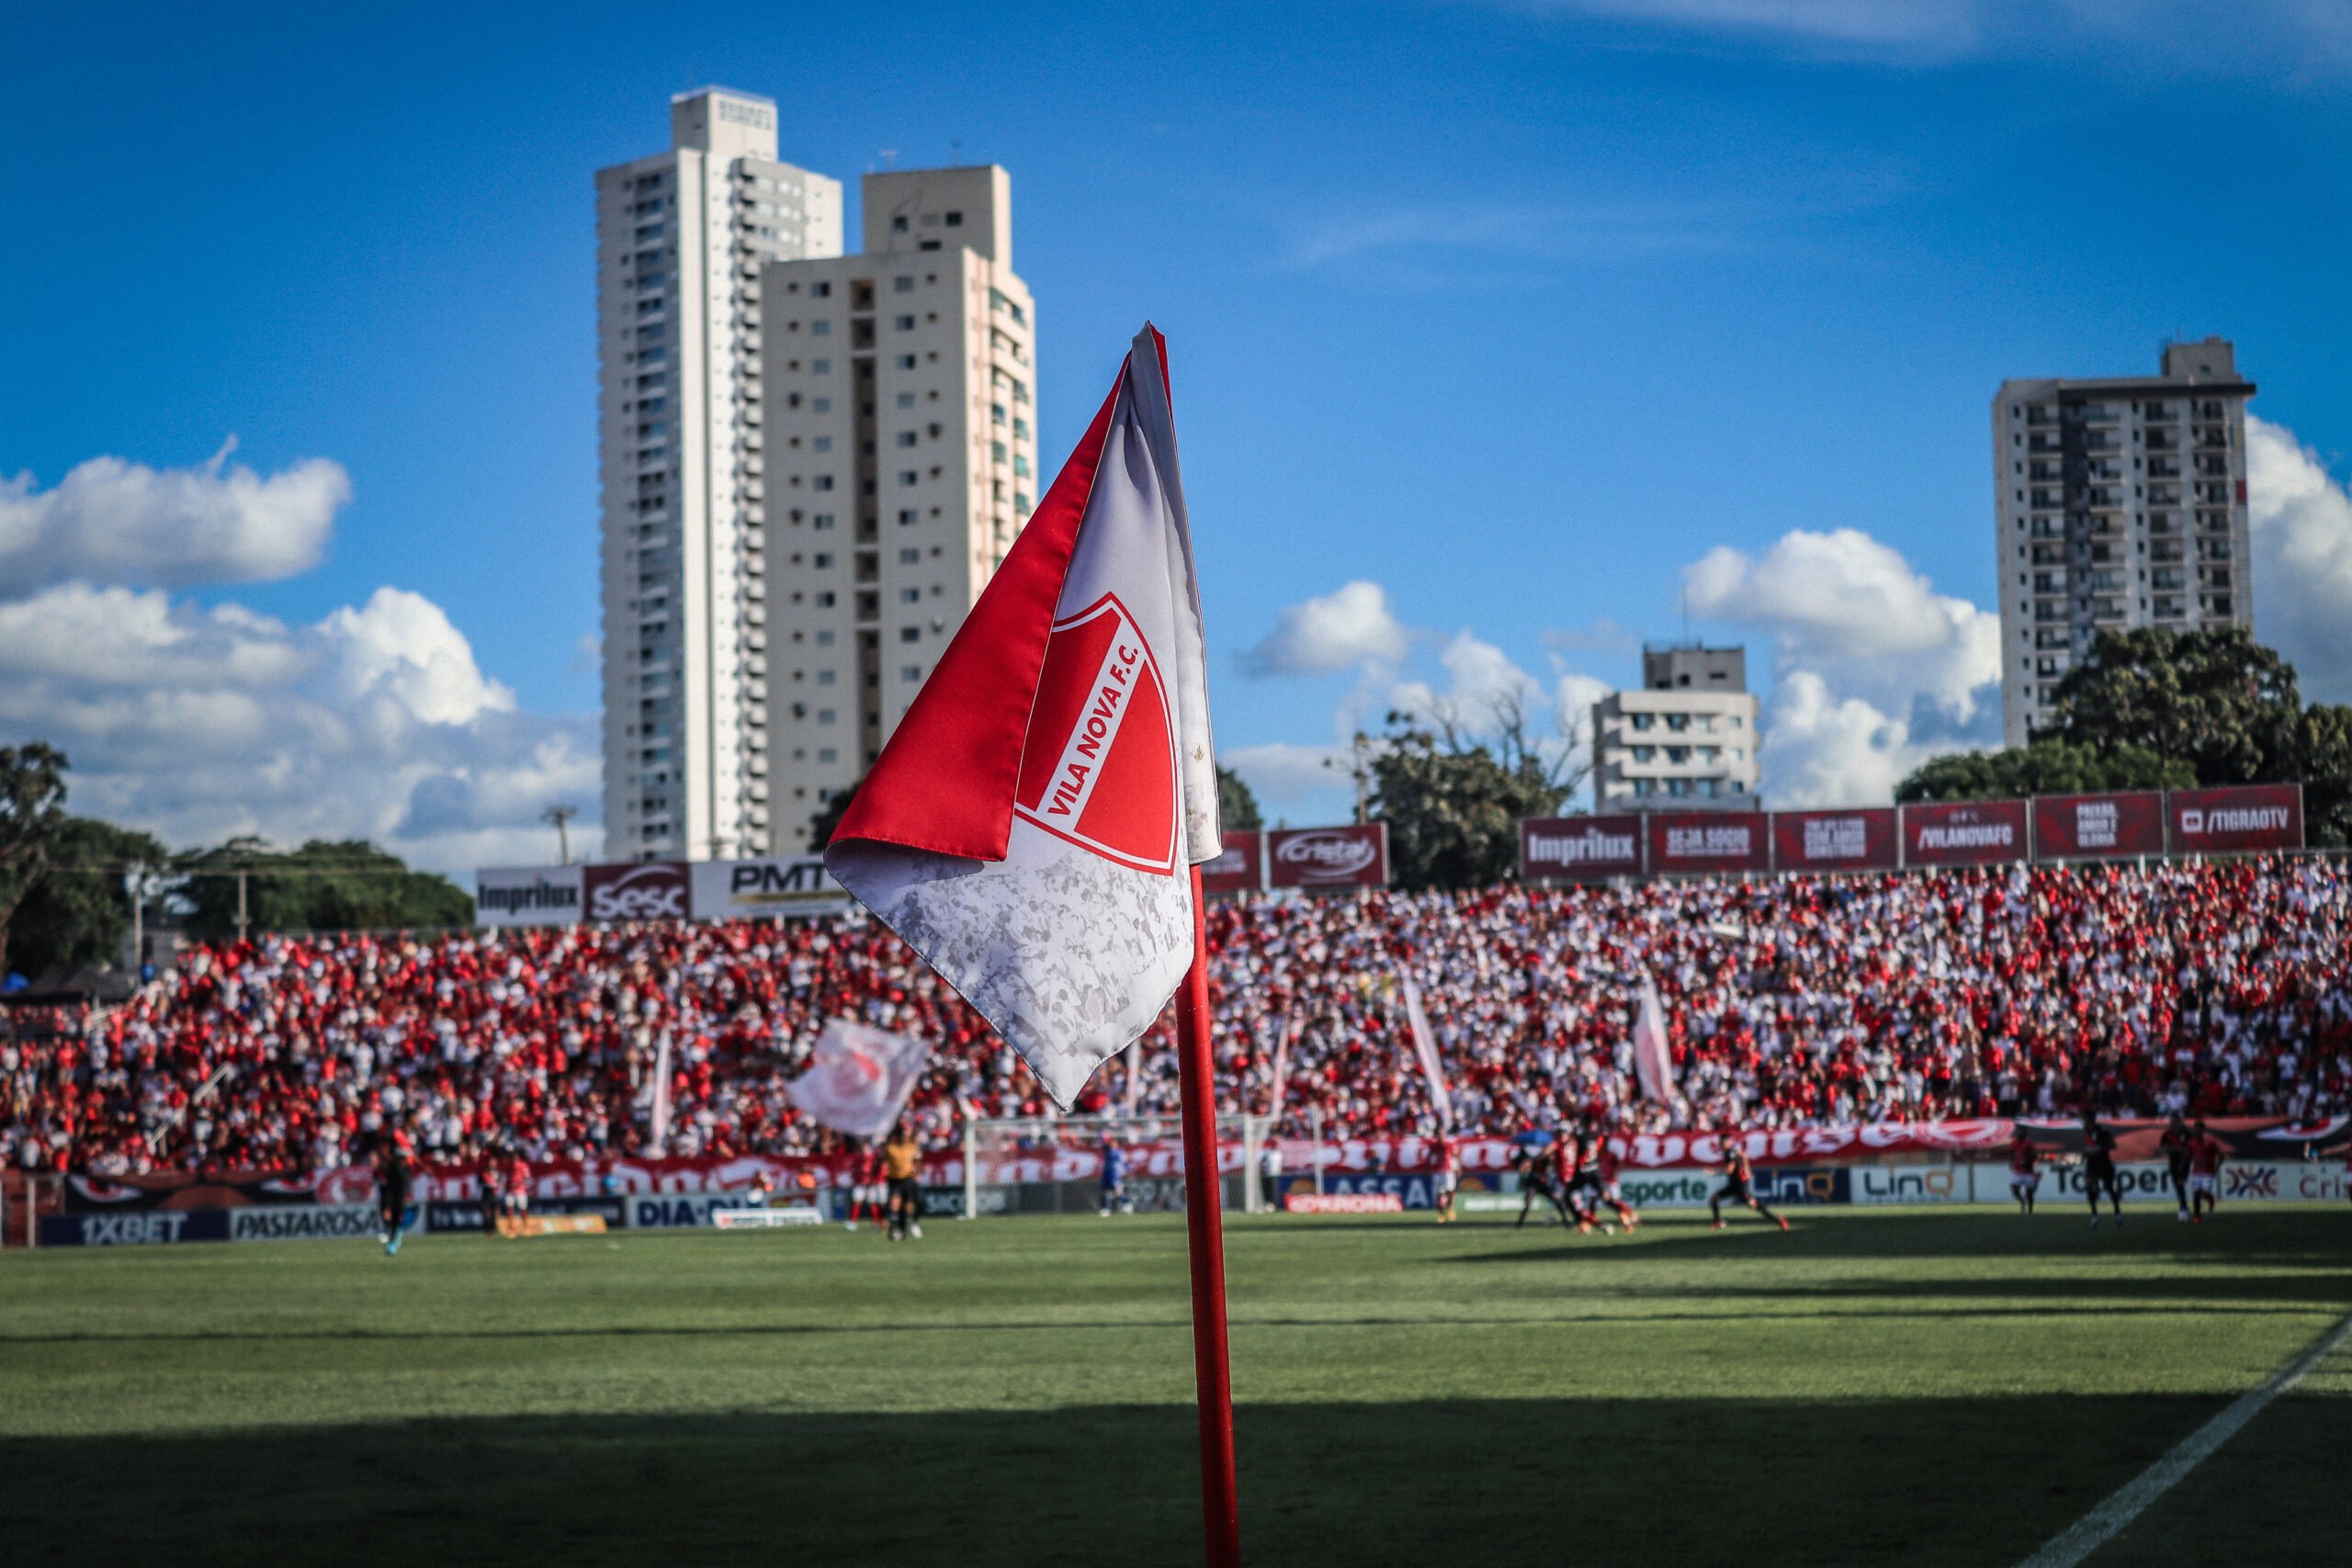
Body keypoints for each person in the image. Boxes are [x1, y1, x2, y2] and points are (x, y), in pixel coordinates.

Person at [1709, 1137, 1789, 1233]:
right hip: (1734, 1184)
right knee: (1714, 1199)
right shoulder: (1734, 1151)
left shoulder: (1729, 1153)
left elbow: (1730, 1169)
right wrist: (1747, 1169)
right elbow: (1743, 1156)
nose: (1721, 1145)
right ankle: (1718, 1221)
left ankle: (1779, 1220)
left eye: (1723, 1143)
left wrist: (1715, 1172)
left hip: (1740, 1185)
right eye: (1720, 1143)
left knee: (1753, 1205)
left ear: (1728, 1143)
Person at [2081, 1109, 2124, 1227]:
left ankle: (2117, 1212)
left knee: (2109, 1188)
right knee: (2089, 1186)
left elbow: (2112, 1145)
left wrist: (2100, 1148)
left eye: (2086, 1120)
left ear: (2092, 1120)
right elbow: (2085, 1148)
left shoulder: (2103, 1132)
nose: (2084, 1122)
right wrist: (2085, 1152)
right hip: (2092, 1164)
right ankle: (2094, 1215)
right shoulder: (2085, 1133)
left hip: (2104, 1163)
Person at [1589, 1130, 1639, 1231]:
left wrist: (1615, 1173)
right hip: (1601, 1183)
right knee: (1593, 1199)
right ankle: (1590, 1221)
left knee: (1614, 1203)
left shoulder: (1611, 1155)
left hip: (1611, 1183)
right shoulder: (1596, 1156)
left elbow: (1620, 1166)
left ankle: (1628, 1220)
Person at [374, 1132, 414, 1257]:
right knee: (391, 1218)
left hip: (398, 1196)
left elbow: (402, 1187)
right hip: (393, 1195)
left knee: (396, 1218)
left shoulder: (402, 1170)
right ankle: (393, 1240)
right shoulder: (393, 1168)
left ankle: (394, 1242)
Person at [882, 1122, 923, 1241]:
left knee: (908, 1205)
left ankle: (904, 1227)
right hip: (895, 1180)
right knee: (894, 1204)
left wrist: (918, 1172)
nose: (905, 1137)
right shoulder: (890, 1148)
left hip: (908, 1179)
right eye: (903, 1135)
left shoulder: (912, 1147)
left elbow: (918, 1162)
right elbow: (882, 1161)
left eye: (907, 1135)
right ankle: (894, 1227)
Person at [2159, 1111, 2194, 1223]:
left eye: (2174, 1122)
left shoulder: (2187, 1133)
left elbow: (2190, 1148)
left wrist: (2182, 1152)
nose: (2172, 1124)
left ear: (2180, 1122)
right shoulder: (2167, 1134)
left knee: (2180, 1183)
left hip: (2185, 1162)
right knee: (2178, 1186)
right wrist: (2172, 1149)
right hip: (2173, 1163)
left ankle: (2184, 1209)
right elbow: (2162, 1148)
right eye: (2171, 1122)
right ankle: (2183, 1208)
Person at [845, 1139, 886, 1231]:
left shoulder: (873, 1158)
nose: (864, 1149)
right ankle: (853, 1223)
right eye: (862, 1147)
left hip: (871, 1184)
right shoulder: (858, 1159)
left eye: (865, 1147)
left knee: (872, 1203)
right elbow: (854, 1171)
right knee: (857, 1201)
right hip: (860, 1184)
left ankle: (875, 1223)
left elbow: (877, 1170)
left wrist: (873, 1180)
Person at [2187, 1121, 2223, 1223]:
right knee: (2196, 1194)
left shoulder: (2210, 1142)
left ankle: (2210, 1198)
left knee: (2203, 1193)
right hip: (2196, 1172)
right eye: (2195, 1129)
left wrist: (2216, 1168)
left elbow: (2221, 1156)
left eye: (2199, 1129)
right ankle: (2197, 1216)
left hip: (2208, 1172)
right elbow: (2188, 1156)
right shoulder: (2191, 1143)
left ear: (2203, 1130)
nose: (2197, 1131)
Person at [2007, 1127, 2041, 1216]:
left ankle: (2030, 1212)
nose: (2019, 1134)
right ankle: (2022, 1201)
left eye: (2021, 1133)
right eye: (2018, 1132)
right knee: (2014, 1189)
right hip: (2017, 1170)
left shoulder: (2028, 1143)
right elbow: (2011, 1152)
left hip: (2028, 1171)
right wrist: (2011, 1161)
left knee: (2029, 1193)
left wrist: (2029, 1162)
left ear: (2025, 1134)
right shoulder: (2015, 1142)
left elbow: (2034, 1155)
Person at [1099, 1134, 1131, 1217]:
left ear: (1117, 1144)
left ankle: (1126, 1204)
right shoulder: (1107, 1150)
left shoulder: (1119, 1152)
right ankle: (1106, 1209)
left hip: (1114, 1174)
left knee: (1118, 1191)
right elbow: (1102, 1139)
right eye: (1111, 1142)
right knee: (1105, 1192)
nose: (1112, 1144)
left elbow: (1125, 1162)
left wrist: (1128, 1170)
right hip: (1106, 1173)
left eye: (1114, 1143)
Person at [1430, 1129, 1459, 1224]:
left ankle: (1450, 1208)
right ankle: (1441, 1214)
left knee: (1450, 1191)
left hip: (1448, 1170)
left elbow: (1456, 1155)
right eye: (1438, 1134)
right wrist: (1427, 1168)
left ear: (1445, 1134)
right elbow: (1430, 1156)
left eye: (1442, 1134)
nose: (1440, 1136)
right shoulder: (1434, 1145)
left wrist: (1458, 1168)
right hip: (1437, 1171)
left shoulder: (1449, 1144)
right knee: (1438, 1193)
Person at [1259, 1137, 1285, 1213]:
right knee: (1268, 1190)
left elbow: (1282, 1164)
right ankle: (1268, 1204)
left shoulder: (1279, 1154)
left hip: (1275, 1174)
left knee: (1274, 1191)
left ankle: (1275, 1206)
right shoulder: (1269, 1153)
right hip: (1268, 1174)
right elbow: (1263, 1163)